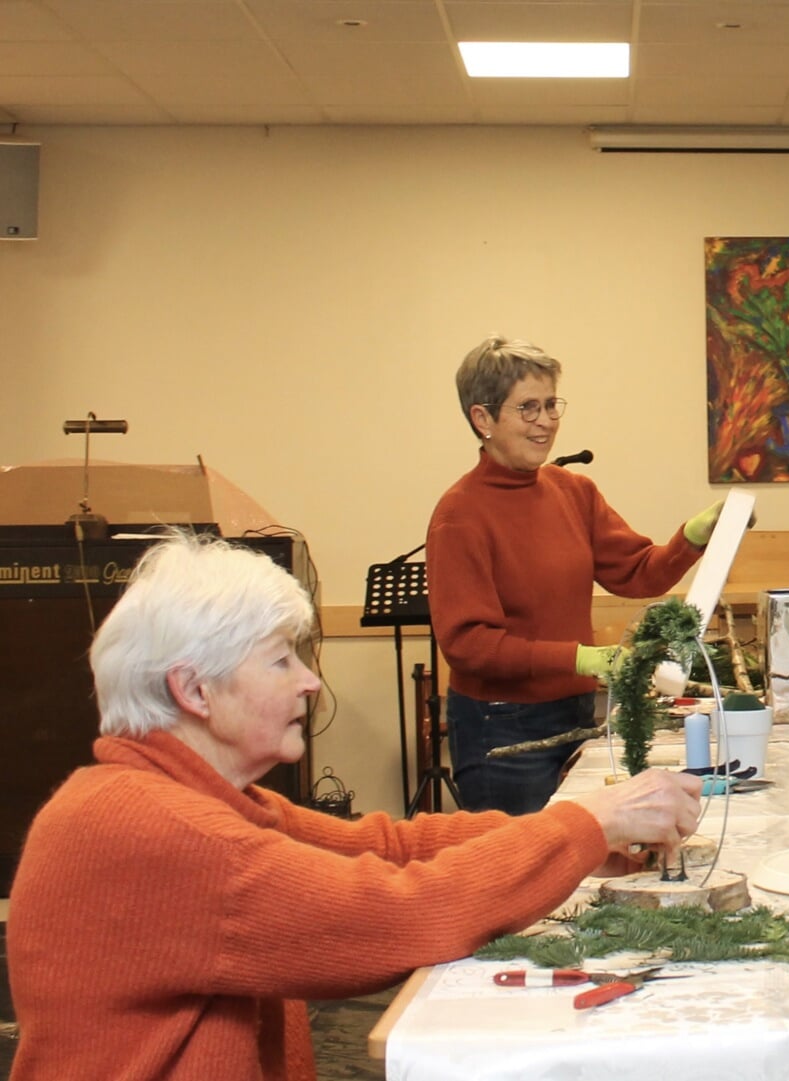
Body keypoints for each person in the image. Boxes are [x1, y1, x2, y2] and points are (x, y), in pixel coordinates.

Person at [8, 533, 705, 1080]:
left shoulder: (181, 796)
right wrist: (582, 827)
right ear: (194, 690)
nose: (311, 682)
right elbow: (402, 910)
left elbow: (388, 848)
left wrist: (583, 841)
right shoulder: (161, 827)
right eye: (282, 660)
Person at [429, 335, 727, 813]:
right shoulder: (460, 514)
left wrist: (690, 538)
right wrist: (579, 659)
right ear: (482, 418)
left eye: (551, 405)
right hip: (501, 729)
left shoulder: (573, 492)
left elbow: (635, 573)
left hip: (575, 715)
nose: (546, 422)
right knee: (522, 874)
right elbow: (469, 645)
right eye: (528, 408)